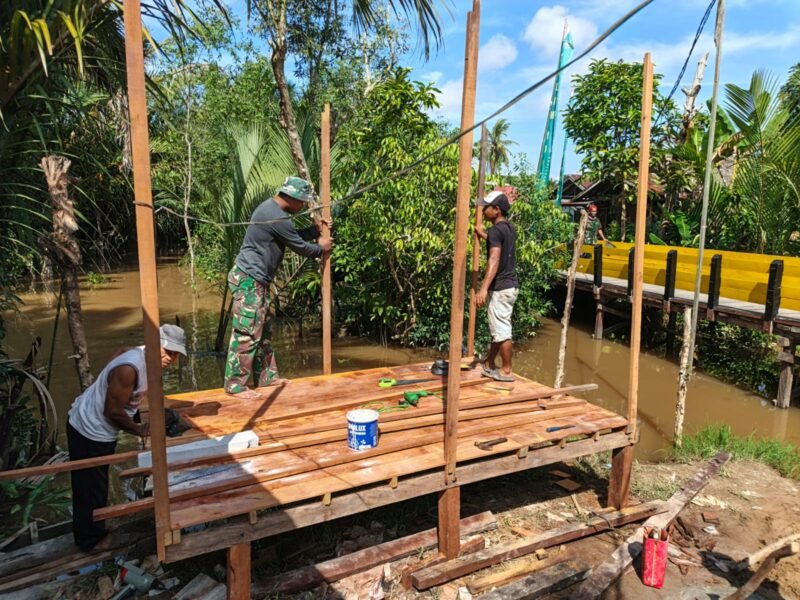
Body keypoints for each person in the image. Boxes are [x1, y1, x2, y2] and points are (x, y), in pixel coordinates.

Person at [67, 324, 186, 552]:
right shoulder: (129, 369)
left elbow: (120, 350)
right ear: (154, 344)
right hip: (89, 429)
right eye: (167, 351)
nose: (171, 359)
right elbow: (112, 412)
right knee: (90, 486)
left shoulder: (139, 354)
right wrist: (139, 429)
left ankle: (93, 527)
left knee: (94, 484)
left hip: (97, 425)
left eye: (175, 354)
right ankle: (90, 541)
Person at [225, 176, 333, 400]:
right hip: (248, 280)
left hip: (256, 280)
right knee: (247, 332)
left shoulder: (273, 211)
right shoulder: (275, 216)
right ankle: (235, 385)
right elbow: (300, 248)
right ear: (292, 198)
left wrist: (316, 232)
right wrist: (320, 247)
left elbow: (290, 237)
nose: (302, 206)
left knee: (262, 331)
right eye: (302, 202)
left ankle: (266, 378)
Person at [475, 191, 518, 382]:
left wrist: (483, 288)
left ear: (496, 209)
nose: (484, 211)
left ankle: (506, 370)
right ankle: (489, 362)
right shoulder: (508, 228)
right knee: (497, 328)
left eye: (487, 208)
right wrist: (483, 234)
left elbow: (494, 258)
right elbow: (499, 244)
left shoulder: (496, 230)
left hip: (500, 287)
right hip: (510, 286)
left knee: (501, 330)